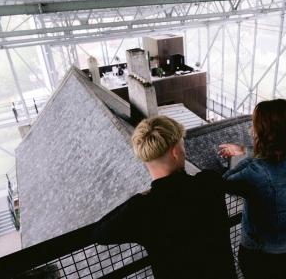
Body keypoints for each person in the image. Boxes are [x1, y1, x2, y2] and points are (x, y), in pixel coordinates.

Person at [92, 115, 247, 279]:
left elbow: (99, 233)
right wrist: (245, 150)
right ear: (175, 152)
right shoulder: (209, 182)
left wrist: (139, 197)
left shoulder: (141, 209)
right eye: (182, 146)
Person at [218, 99, 286, 279]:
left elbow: (226, 183)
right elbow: (279, 156)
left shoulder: (261, 171)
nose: (252, 130)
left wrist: (252, 155)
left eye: (256, 126)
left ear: (268, 133)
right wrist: (245, 149)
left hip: (263, 253)